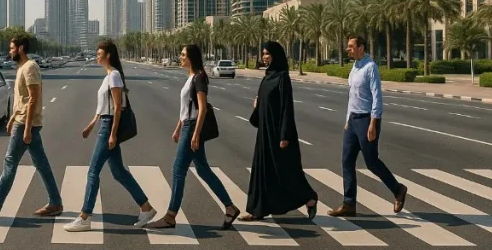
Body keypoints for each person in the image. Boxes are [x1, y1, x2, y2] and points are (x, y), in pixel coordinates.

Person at [64, 39, 156, 232]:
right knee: (119, 172)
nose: (97, 55)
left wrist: (112, 134)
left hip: (108, 128)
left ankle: (84, 216)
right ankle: (146, 208)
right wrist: (91, 125)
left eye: (99, 53)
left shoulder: (114, 76)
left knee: (93, 171)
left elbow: (117, 108)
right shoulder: (109, 76)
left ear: (108, 56)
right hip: (104, 125)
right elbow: (104, 107)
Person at [145, 45, 240, 230]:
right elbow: (187, 108)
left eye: (182, 55)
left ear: (191, 58)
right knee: (204, 170)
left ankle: (170, 216)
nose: (179, 57)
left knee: (178, 169)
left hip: (193, 128)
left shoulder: (199, 78)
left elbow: (202, 109)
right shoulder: (191, 77)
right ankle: (230, 207)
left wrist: (195, 134)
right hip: (187, 125)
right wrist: (177, 128)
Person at [0, 36, 63, 219]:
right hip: (22, 121)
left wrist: (27, 128)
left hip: (26, 123)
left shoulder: (29, 67)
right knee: (41, 164)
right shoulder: (22, 67)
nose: (9, 51)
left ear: (21, 48)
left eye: (12, 48)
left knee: (10, 162)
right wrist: (12, 117)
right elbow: (22, 100)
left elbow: (33, 99)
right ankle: (55, 202)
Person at [328, 36, 407, 217]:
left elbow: (377, 96)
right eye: (347, 46)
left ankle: (398, 189)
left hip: (366, 120)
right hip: (353, 121)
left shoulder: (370, 67)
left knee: (371, 162)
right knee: (347, 161)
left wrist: (373, 122)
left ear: (361, 48)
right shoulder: (355, 67)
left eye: (350, 46)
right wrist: (348, 119)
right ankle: (349, 204)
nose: (347, 49)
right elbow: (352, 96)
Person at [242, 40, 318, 222]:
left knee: (285, 170)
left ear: (276, 55)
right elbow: (262, 99)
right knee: (262, 170)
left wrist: (285, 135)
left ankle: (309, 198)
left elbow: (286, 107)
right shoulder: (267, 76)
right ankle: (257, 209)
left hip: (278, 133)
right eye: (263, 54)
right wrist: (257, 105)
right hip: (264, 132)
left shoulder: (282, 77)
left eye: (267, 53)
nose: (264, 57)